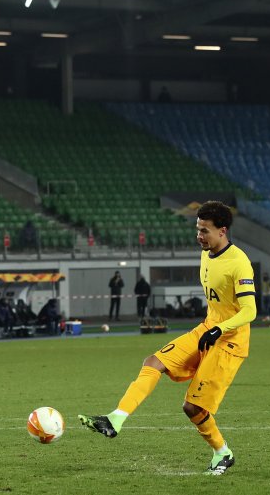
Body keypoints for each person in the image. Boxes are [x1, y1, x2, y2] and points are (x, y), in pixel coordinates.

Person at [79, 201, 256, 475]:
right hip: (207, 329)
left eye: (205, 231)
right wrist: (212, 326)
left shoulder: (239, 263)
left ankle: (223, 452)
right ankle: (115, 419)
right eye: (197, 229)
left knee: (192, 407)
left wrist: (220, 329)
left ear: (223, 231)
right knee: (153, 361)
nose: (199, 236)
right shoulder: (206, 254)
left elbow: (250, 311)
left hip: (229, 341)